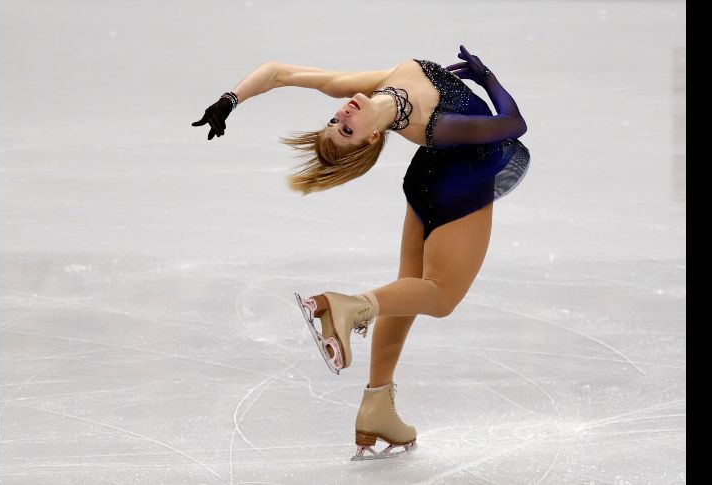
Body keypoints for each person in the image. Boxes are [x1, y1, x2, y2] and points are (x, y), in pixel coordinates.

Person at [192, 45, 530, 460]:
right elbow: (514, 124)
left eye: (336, 121)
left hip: (426, 177)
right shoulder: (433, 126)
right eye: (346, 130)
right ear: (373, 137)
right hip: (459, 183)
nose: (342, 115)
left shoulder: (383, 82)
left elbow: (279, 72)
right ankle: (347, 306)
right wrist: (487, 77)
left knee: (408, 294)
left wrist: (229, 101)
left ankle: (377, 408)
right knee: (440, 297)